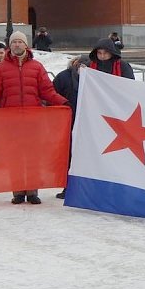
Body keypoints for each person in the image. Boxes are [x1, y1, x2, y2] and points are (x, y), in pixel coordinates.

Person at [0, 31, 68, 204]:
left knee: (33, 156)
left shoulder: (37, 67)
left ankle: (32, 191)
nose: (17, 45)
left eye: (20, 42)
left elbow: (47, 91)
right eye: (14, 42)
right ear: (10, 46)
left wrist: (63, 101)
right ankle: (18, 191)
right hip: (11, 122)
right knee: (14, 157)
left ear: (26, 45)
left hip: (33, 121)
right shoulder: (1, 68)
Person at [53, 54, 92, 199]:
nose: (82, 67)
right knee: (68, 156)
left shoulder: (94, 78)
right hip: (67, 123)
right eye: (80, 64)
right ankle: (67, 187)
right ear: (75, 63)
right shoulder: (63, 77)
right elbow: (52, 94)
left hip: (87, 124)